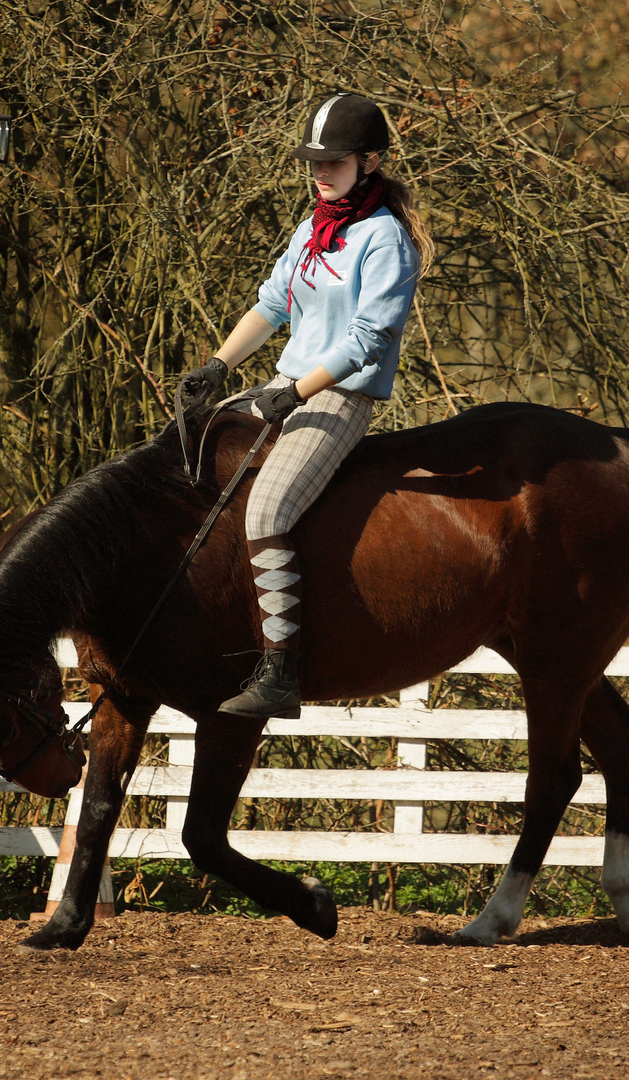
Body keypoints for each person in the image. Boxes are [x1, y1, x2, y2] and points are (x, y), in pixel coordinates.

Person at [178, 91, 433, 720]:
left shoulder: (385, 241)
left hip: (336, 399)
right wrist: (218, 366)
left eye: (335, 162)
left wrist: (295, 391)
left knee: (266, 509)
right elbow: (272, 305)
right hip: (281, 386)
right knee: (183, 453)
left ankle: (280, 667)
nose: (320, 172)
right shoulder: (314, 228)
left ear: (370, 162)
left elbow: (369, 340)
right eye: (314, 161)